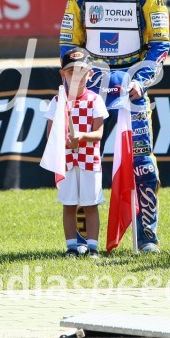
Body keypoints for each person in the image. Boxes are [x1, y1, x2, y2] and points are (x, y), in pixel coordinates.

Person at [60, 0, 170, 252]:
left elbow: (160, 45)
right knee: (80, 159)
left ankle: (146, 236)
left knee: (143, 162)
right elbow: (69, 45)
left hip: (132, 88)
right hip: (91, 90)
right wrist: (78, 83)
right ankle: (84, 240)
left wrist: (140, 80)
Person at [44, 47, 108, 258]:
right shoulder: (57, 102)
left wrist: (81, 137)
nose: (77, 77)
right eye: (72, 72)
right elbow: (51, 135)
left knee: (91, 204)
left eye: (82, 71)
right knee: (69, 204)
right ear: (63, 74)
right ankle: (71, 246)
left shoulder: (95, 100)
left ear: (90, 74)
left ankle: (93, 247)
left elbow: (98, 134)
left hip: (89, 161)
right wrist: (65, 142)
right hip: (67, 162)